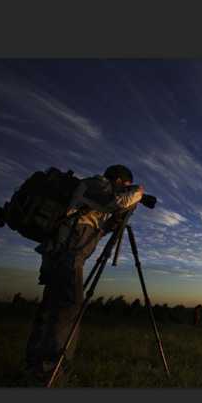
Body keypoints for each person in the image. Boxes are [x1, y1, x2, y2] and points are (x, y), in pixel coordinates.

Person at [25, 164, 144, 382]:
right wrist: (139, 192)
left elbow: (98, 230)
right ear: (118, 181)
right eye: (125, 186)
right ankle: (51, 371)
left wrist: (117, 221)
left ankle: (34, 365)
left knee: (51, 309)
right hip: (67, 255)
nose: (125, 190)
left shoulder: (93, 201)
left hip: (61, 253)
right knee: (67, 310)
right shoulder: (97, 184)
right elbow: (116, 201)